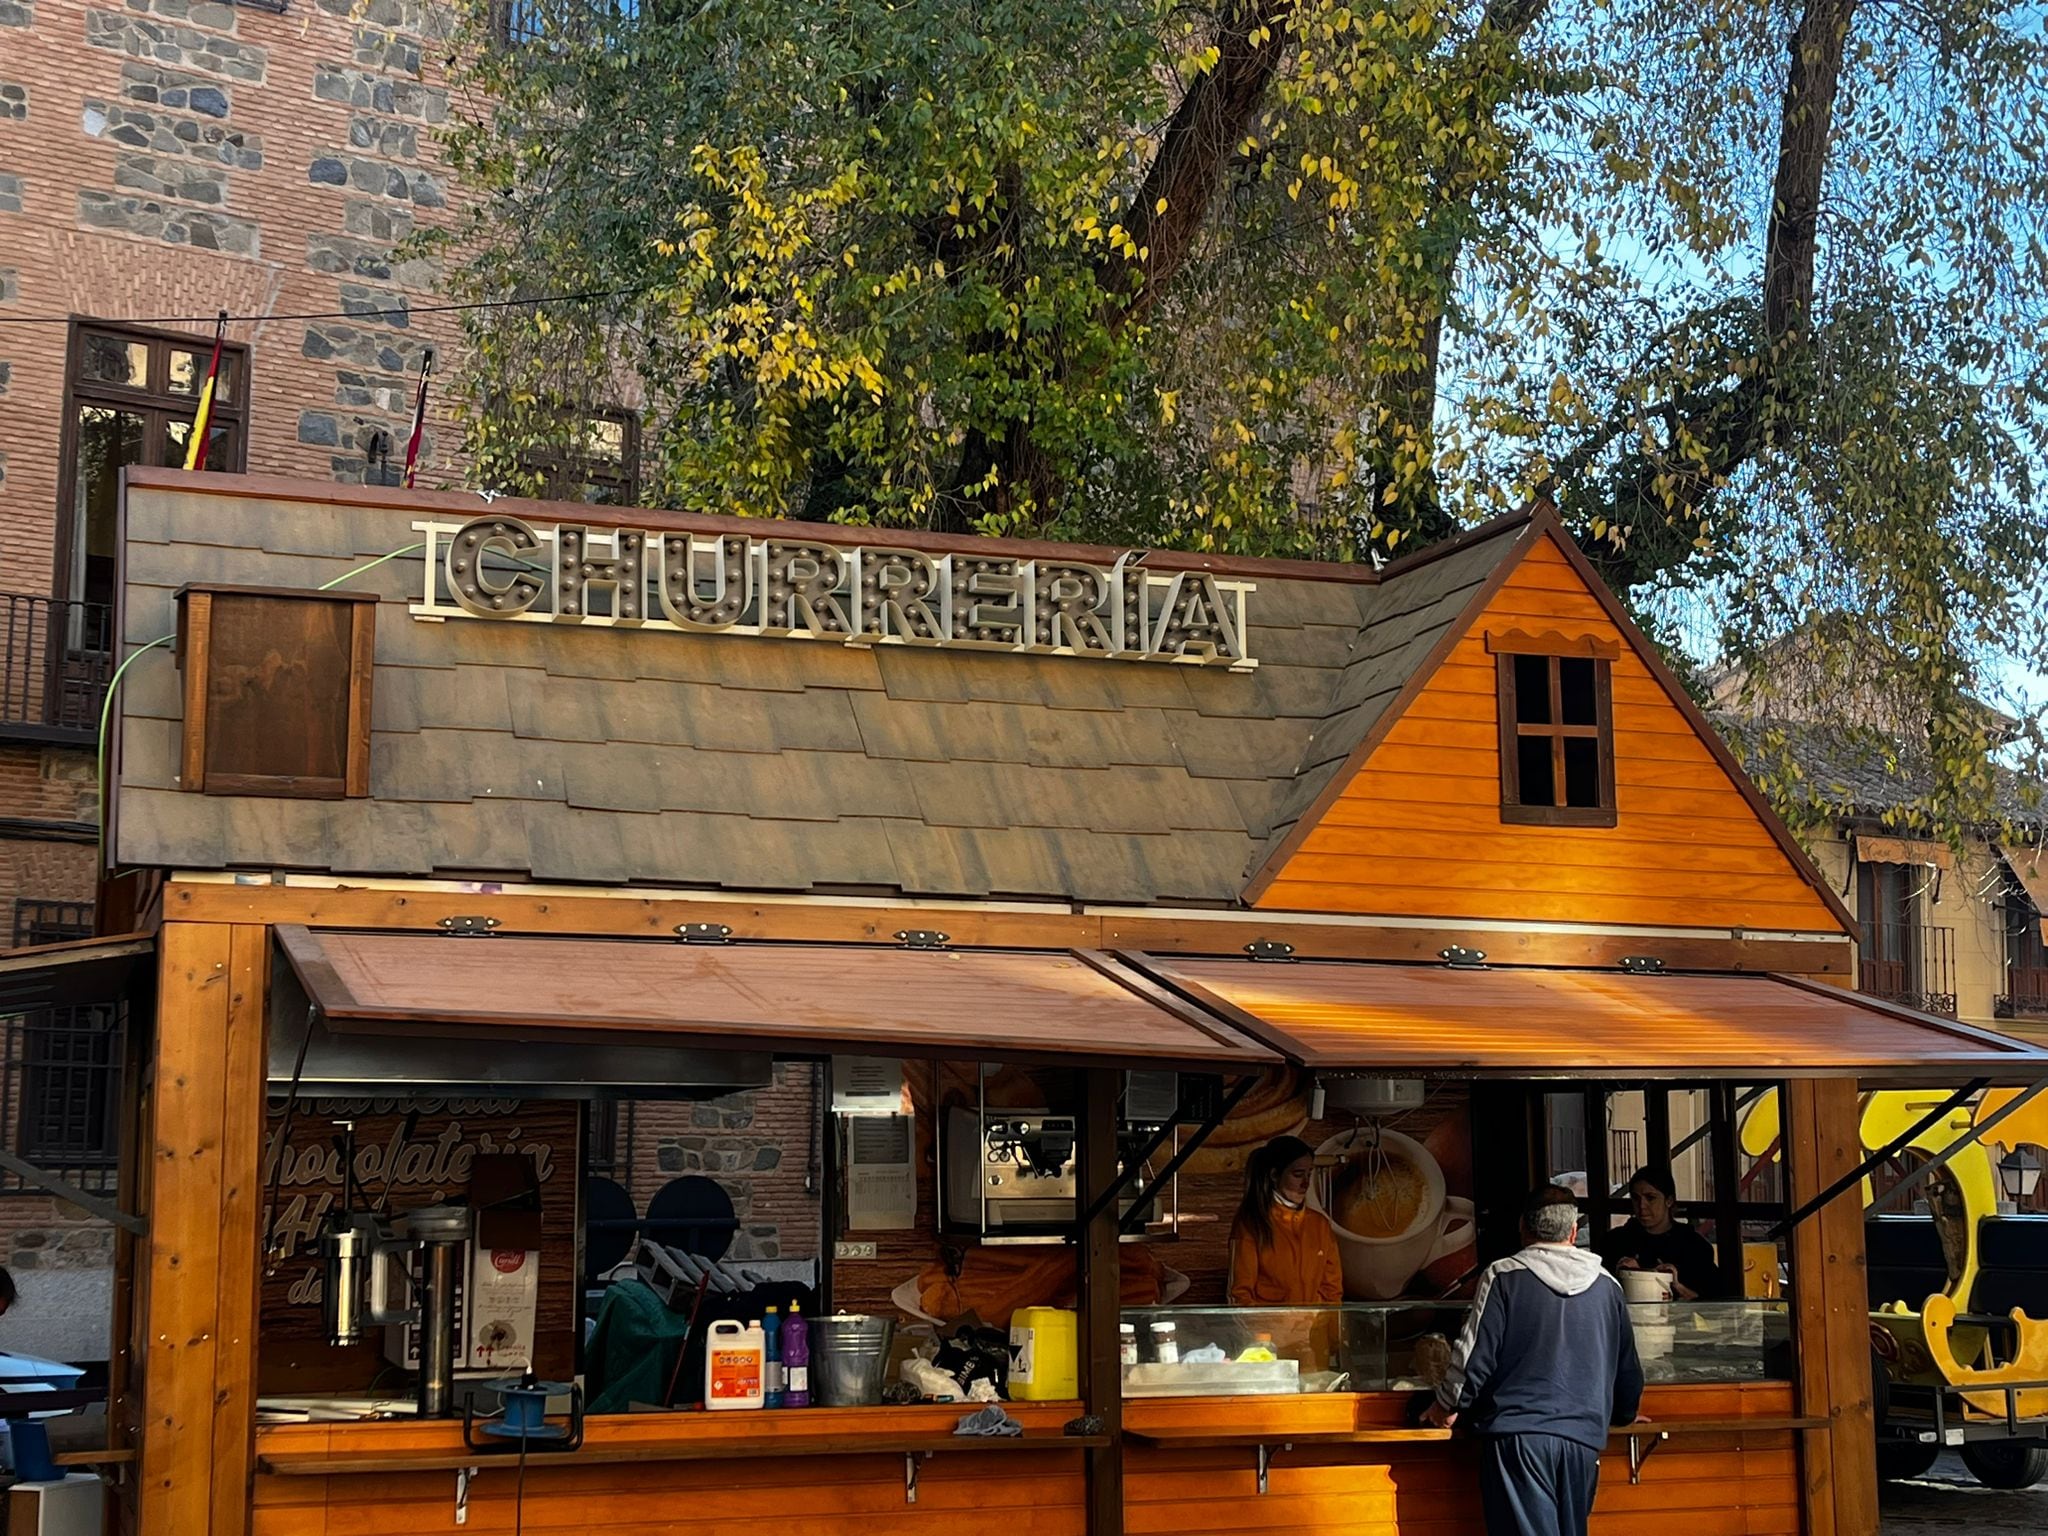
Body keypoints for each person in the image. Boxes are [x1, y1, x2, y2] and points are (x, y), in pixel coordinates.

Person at [1422, 1186, 1644, 1536]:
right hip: (1582, 1441)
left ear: (1523, 1227)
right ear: (1573, 1232)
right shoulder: (1608, 1286)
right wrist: (1624, 1414)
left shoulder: (1503, 1275)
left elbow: (1473, 1355)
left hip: (1520, 1437)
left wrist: (1447, 1404)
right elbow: (1627, 1369)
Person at [1227, 1136, 1344, 1305]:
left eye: (1309, 1174)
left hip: (1312, 1330)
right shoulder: (1251, 1224)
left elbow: (1332, 1291)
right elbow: (1239, 1295)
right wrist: (1262, 1332)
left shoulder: (1320, 1225)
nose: (1306, 1183)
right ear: (1274, 1175)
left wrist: (1326, 1330)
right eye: (1298, 1174)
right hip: (1269, 1329)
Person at [1599, 1165, 1723, 1301]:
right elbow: (1598, 1295)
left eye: (1650, 1198)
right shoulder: (1614, 1242)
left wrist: (1678, 1287)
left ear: (1669, 1201)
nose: (1642, 1205)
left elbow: (1714, 1302)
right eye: (1636, 1198)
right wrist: (1620, 1276)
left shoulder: (1694, 1247)